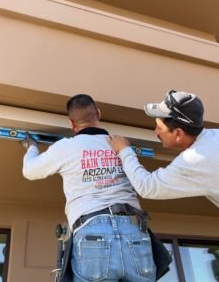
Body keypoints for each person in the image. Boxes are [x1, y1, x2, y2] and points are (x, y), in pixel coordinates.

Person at [22, 94, 156, 282]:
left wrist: (32, 147)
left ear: (71, 123)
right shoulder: (120, 145)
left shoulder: (66, 148)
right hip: (133, 230)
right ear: (98, 114)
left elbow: (30, 171)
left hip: (92, 231)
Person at [107, 90, 219, 222]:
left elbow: (147, 187)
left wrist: (124, 150)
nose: (155, 131)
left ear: (178, 134)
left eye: (159, 127)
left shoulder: (195, 160)